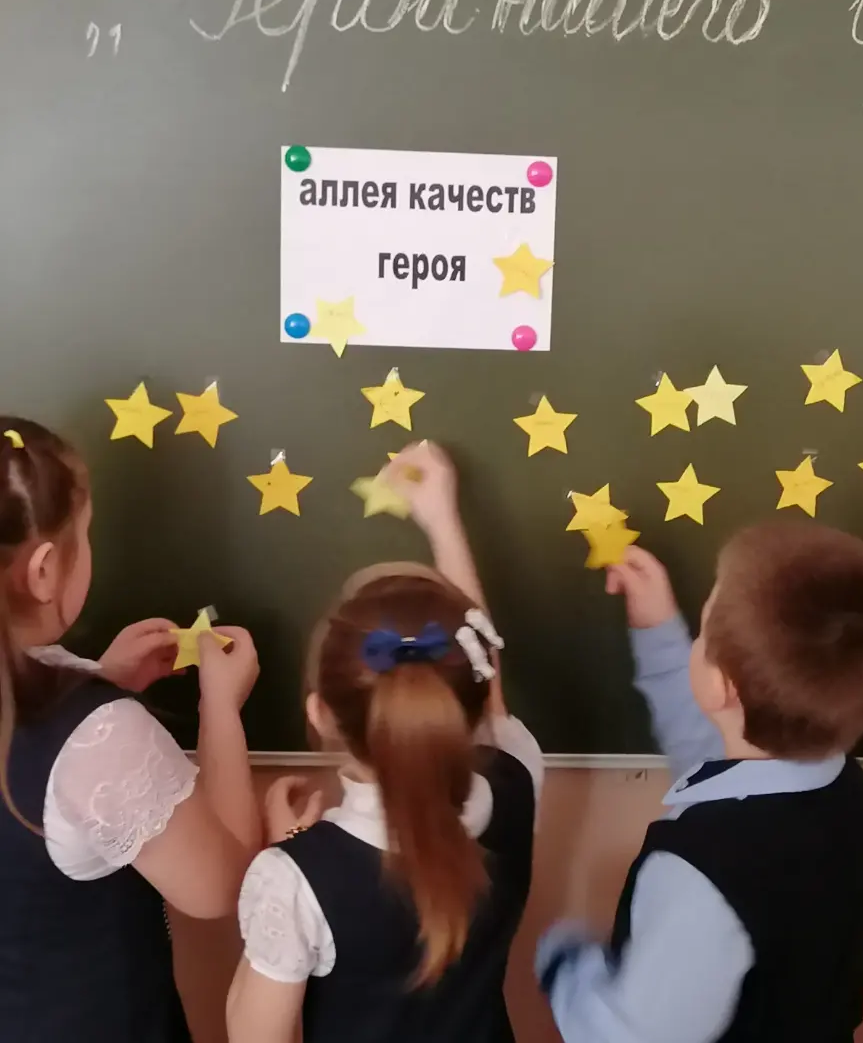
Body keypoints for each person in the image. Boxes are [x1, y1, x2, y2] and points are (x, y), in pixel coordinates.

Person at [536, 525, 863, 1043]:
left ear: (720, 686)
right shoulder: (838, 786)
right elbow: (718, 746)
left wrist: (565, 965)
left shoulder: (700, 873)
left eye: (704, 627)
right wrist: (659, 631)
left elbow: (631, 1036)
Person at [226, 441, 544, 1043]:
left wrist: (289, 847)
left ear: (320, 714)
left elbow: (253, 1035)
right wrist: (443, 520)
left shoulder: (294, 879)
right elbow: (484, 682)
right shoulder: (515, 777)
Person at [0, 416, 262, 1043]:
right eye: (85, 534)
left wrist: (99, 677)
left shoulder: (81, 711)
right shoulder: (97, 733)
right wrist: (220, 707)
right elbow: (220, 884)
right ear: (43, 572)